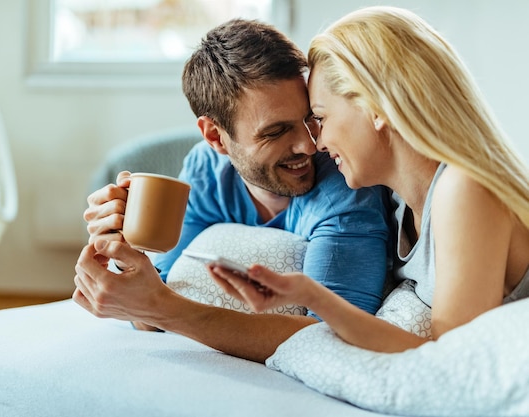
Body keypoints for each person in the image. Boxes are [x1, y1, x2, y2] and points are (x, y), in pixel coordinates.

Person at [209, 6, 529, 354]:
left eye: (320, 117)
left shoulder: (464, 190)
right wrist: (308, 293)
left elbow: (450, 362)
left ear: (376, 109)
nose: (317, 143)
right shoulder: (398, 206)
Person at [73, 18, 392, 363]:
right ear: (215, 137)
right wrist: (125, 261)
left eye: (311, 118)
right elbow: (150, 314)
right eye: (275, 131)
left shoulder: (345, 183)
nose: (309, 145)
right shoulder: (206, 174)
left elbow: (334, 339)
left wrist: (161, 309)